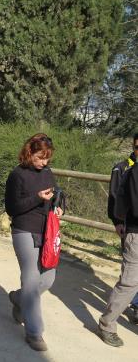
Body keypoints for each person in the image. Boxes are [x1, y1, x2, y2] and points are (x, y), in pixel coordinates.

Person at [5, 133, 63, 352]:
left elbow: (55, 195)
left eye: (47, 157)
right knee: (30, 280)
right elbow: (12, 208)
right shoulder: (17, 175)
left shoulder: (48, 173)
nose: (44, 162)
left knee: (48, 279)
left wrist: (57, 206)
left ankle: (19, 298)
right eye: (40, 157)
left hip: (46, 232)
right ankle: (34, 332)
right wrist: (38, 198)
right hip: (24, 231)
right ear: (29, 153)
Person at [98, 138, 138, 347]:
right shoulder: (128, 171)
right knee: (129, 283)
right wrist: (116, 221)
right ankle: (107, 324)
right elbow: (119, 200)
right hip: (134, 233)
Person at [107, 133, 138, 325]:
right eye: (136, 146)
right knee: (130, 274)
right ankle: (131, 304)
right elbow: (114, 198)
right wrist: (116, 221)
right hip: (129, 226)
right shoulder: (123, 168)